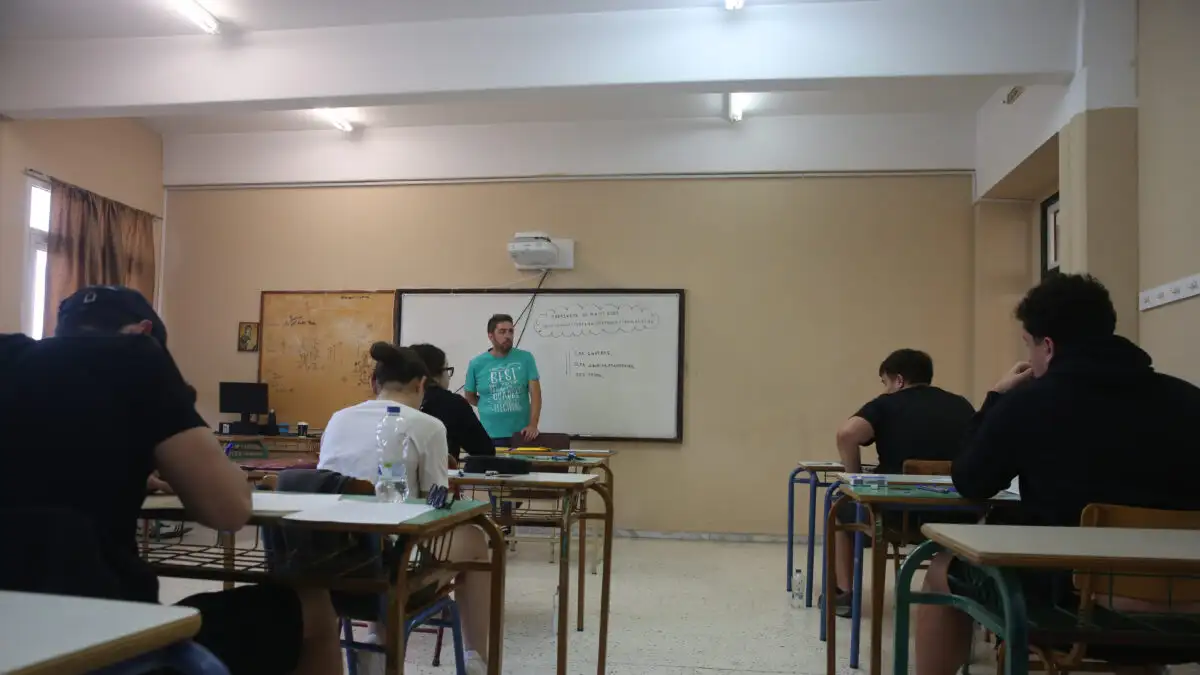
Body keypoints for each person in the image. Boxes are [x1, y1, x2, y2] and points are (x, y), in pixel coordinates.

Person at [0, 286, 341, 675]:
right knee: (312, 605)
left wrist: (135, 475)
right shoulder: (135, 355)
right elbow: (229, 510)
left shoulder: (8, 354)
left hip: (13, 638)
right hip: (103, 641)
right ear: (144, 331)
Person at [917, 274, 1200, 675]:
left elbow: (971, 481)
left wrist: (997, 398)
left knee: (940, 570)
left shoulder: (1027, 404)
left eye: (1029, 346)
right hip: (1188, 608)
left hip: (1075, 611)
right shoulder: (1189, 400)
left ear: (1047, 346)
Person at [318, 342, 492, 675]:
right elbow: (435, 504)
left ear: (374, 383)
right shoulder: (427, 425)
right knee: (475, 539)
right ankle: (476, 658)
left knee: (379, 531)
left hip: (328, 566)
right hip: (391, 569)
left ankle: (375, 641)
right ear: (421, 385)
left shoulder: (338, 419)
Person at [825, 348, 975, 617]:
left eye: (885, 382)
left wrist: (855, 481)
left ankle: (844, 594)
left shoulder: (886, 404)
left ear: (899, 380)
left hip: (898, 516)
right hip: (958, 517)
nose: (885, 389)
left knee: (839, 510)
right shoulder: (961, 405)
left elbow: (847, 434)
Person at [464, 313, 542, 446]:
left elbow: (536, 395)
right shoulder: (476, 364)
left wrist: (533, 425)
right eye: (502, 332)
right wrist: (489, 405)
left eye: (511, 331)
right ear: (491, 336)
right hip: (489, 434)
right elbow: (469, 396)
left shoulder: (526, 358)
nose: (508, 336)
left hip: (521, 434)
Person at [411, 343, 495, 459]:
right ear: (437, 374)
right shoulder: (453, 404)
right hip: (441, 470)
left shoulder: (396, 403)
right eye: (447, 369)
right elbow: (485, 451)